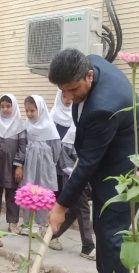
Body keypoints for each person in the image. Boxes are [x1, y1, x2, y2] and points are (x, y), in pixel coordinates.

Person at [47, 49, 139, 273]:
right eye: (62, 91)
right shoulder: (92, 63)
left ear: (89, 76)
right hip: (112, 151)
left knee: (111, 231)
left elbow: (88, 162)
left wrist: (61, 205)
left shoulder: (103, 106)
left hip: (130, 164)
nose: (67, 98)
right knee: (102, 224)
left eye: (73, 90)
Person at [49, 90, 96, 260]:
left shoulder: (87, 132)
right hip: (73, 178)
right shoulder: (70, 136)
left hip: (84, 178)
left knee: (74, 212)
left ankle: (52, 235)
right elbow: (65, 162)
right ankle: (87, 247)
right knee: (83, 209)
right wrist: (77, 177)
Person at [20, 95, 62, 236]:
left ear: (41, 109)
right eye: (27, 111)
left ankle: (41, 223)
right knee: (29, 192)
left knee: (43, 193)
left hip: (44, 168)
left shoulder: (49, 127)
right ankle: (28, 223)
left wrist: (50, 163)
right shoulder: (27, 126)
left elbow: (56, 150)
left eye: (32, 110)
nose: (29, 114)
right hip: (30, 168)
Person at [0, 94, 26, 238]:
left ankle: (13, 223)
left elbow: (23, 147)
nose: (5, 109)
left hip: (12, 166)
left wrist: (19, 166)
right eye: (2, 106)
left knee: (12, 194)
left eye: (8, 106)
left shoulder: (20, 125)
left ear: (14, 107)